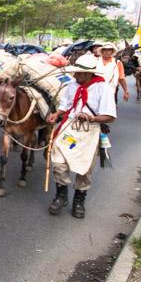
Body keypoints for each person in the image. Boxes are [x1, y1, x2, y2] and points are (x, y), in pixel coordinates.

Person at [45, 53, 117, 219]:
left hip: (89, 132)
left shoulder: (103, 88)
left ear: (89, 74)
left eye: (78, 72)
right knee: (58, 163)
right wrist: (57, 114)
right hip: (70, 129)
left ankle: (79, 201)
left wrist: (91, 117)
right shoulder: (72, 85)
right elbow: (66, 104)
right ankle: (61, 196)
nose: (74, 75)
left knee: (84, 169)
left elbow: (110, 116)